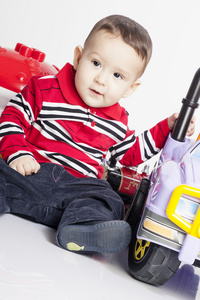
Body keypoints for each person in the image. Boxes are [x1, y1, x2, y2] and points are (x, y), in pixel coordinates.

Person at [0, 15, 195, 254]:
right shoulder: (44, 88)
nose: (101, 80)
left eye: (117, 76)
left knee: (108, 199)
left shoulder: (117, 120)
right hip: (32, 173)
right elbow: (11, 118)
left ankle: (80, 229)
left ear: (130, 88)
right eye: (96, 63)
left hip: (75, 189)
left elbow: (132, 153)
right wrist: (17, 154)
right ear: (78, 57)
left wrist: (166, 128)